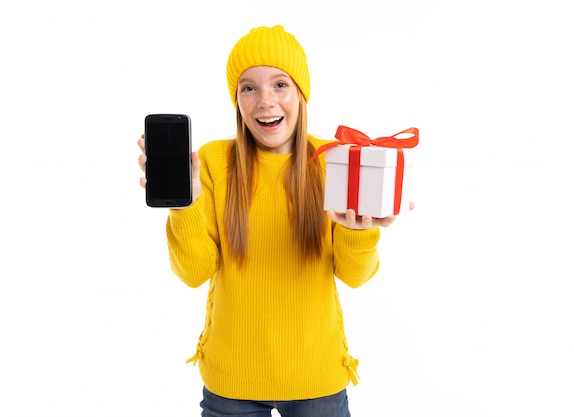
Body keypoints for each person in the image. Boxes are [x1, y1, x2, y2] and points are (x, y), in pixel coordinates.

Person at [138, 25, 410, 417]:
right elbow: (194, 272)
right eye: (248, 88)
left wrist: (358, 233)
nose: (265, 101)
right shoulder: (211, 162)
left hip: (316, 378)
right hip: (231, 381)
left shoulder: (333, 161)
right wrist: (187, 205)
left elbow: (355, 276)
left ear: (301, 92)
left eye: (280, 84)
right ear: (236, 100)